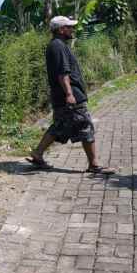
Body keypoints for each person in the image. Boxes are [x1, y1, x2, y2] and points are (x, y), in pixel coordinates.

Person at [26, 16, 116, 174]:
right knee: (85, 125)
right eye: (69, 27)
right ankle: (94, 165)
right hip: (69, 95)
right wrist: (69, 94)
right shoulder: (58, 46)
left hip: (62, 96)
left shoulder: (56, 45)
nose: (72, 30)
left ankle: (38, 153)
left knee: (60, 126)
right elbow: (62, 73)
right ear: (61, 29)